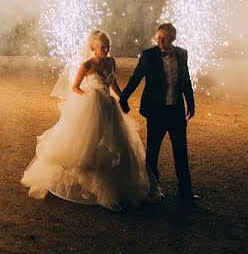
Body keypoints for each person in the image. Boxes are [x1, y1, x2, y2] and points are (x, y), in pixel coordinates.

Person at [21, 30, 160, 211]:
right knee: (86, 143)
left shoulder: (111, 62)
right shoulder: (86, 65)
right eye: (102, 46)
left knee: (113, 143)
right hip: (92, 105)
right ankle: (86, 183)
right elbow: (75, 87)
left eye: (108, 46)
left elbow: (113, 83)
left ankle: (112, 185)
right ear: (94, 47)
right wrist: (89, 96)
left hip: (109, 107)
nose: (106, 49)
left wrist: (122, 99)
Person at [119, 23, 198, 201]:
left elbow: (185, 79)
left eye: (165, 38)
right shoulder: (149, 55)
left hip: (176, 110)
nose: (160, 41)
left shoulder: (182, 54)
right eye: (159, 37)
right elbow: (136, 78)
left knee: (181, 151)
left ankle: (185, 192)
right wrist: (123, 98)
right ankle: (151, 190)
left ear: (173, 39)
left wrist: (191, 103)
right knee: (153, 152)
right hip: (156, 111)